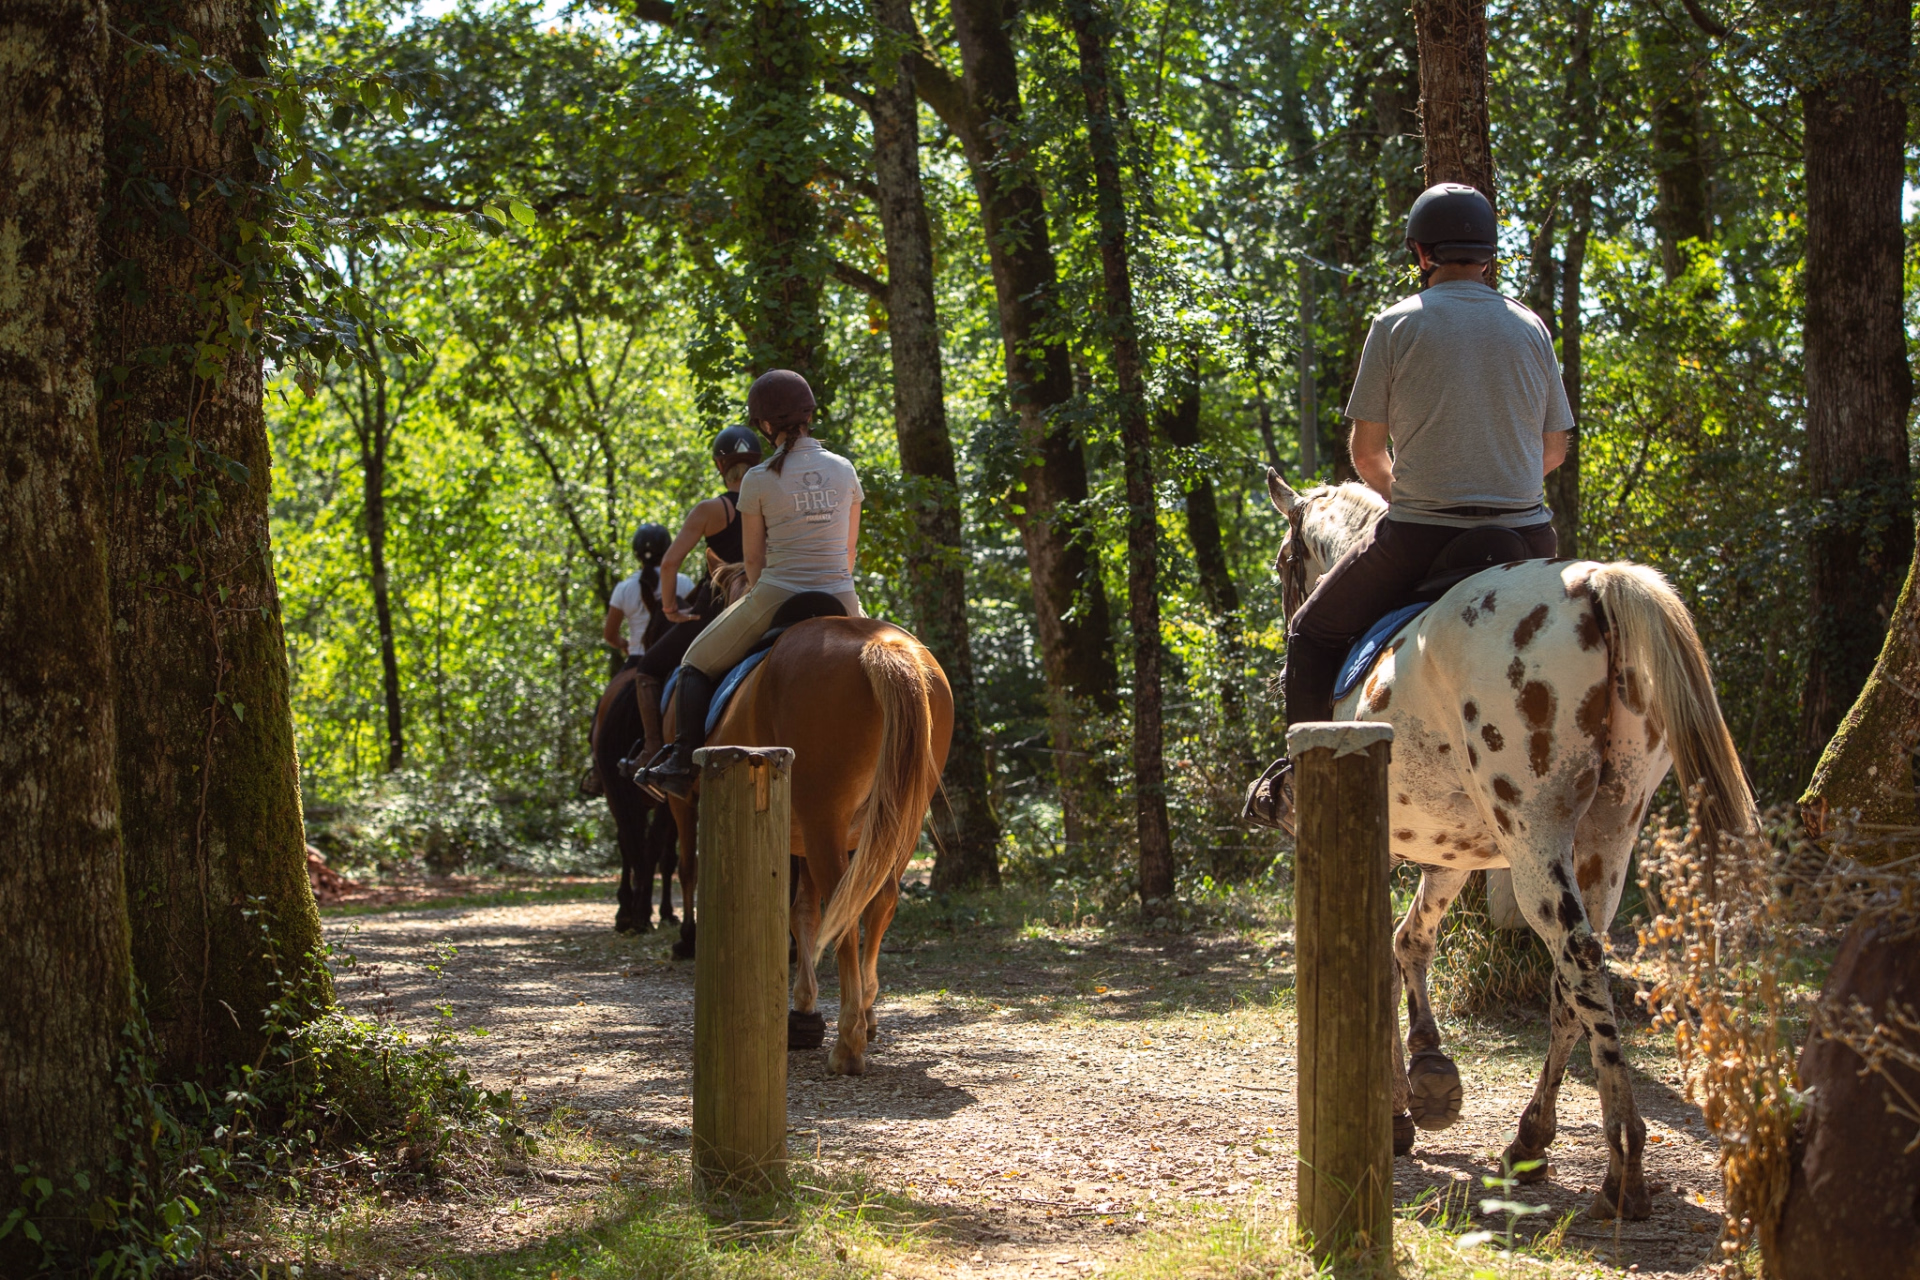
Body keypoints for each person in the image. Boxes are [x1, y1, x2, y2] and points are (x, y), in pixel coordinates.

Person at [1247, 183, 1571, 826]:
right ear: (1487, 254)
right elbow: (1555, 449)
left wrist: (1421, 501)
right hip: (1531, 540)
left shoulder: (1395, 324)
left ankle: (1311, 799)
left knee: (1310, 634)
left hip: (1423, 535)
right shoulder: (1530, 326)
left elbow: (1367, 457)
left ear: (1420, 251)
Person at [634, 369, 864, 799]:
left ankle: (681, 761)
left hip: (777, 594)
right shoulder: (844, 469)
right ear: (809, 415)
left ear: (764, 424)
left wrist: (758, 598)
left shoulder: (759, 479)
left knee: (693, 662)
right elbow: (849, 552)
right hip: (842, 596)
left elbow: (754, 559)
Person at [601, 524, 695, 763]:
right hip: (674, 657)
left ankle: (596, 771)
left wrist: (624, 644)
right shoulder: (683, 583)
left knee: (600, 715)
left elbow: (610, 635)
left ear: (635, 553)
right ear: (668, 549)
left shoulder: (624, 588)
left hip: (637, 658)